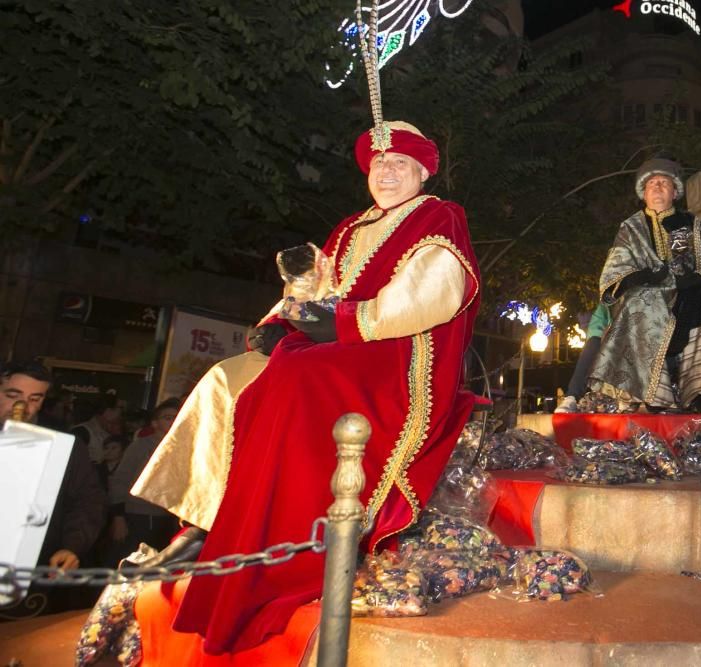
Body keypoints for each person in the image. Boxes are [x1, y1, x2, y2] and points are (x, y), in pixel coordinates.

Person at [133, 121, 480, 654]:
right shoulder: (347, 228)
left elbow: (435, 294)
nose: (385, 172)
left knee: (296, 379)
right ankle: (207, 522)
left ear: (421, 171)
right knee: (228, 376)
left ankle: (278, 552)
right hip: (330, 344)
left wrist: (346, 322)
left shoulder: (439, 216)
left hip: (393, 356)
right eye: (378, 164)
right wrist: (278, 321)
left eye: (399, 164)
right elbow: (313, 289)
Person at [587, 156, 701, 415]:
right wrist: (642, 275)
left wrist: (698, 277)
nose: (658, 188)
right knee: (641, 301)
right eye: (652, 184)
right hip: (647, 295)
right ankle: (651, 391)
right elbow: (615, 271)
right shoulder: (631, 228)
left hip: (689, 296)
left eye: (664, 183)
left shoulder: (695, 225)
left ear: (675, 192)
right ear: (643, 193)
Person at [1, 361, 106, 615]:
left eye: (35, 399)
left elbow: (88, 500)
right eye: (13, 395)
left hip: (31, 572)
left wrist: (72, 545)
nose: (23, 406)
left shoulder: (64, 445)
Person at [107, 398, 181, 562]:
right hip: (139, 514)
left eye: (177, 417)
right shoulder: (141, 446)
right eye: (167, 418)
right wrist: (118, 516)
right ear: (155, 423)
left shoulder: (182, 448)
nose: (173, 422)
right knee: (132, 562)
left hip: (169, 517)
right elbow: (120, 479)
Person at [555, 303, 611, 413]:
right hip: (614, 338)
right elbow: (597, 326)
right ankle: (572, 396)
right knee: (594, 342)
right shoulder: (612, 296)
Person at [71, 392, 124, 465]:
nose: (121, 413)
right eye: (120, 408)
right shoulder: (81, 432)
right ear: (108, 411)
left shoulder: (110, 432)